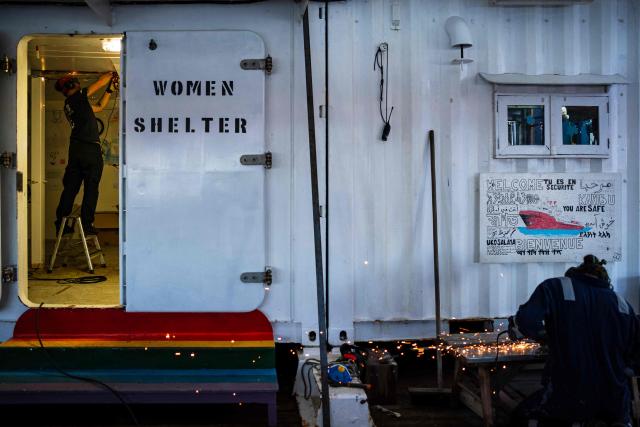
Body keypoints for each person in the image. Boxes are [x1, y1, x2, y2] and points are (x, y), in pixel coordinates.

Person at [509, 255, 640, 426]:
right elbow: (636, 354)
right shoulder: (621, 302)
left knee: (519, 416)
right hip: (614, 402)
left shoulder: (555, 287)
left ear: (576, 273)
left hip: (567, 397)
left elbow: (526, 320)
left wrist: (547, 337)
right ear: (604, 279)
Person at [54, 71, 118, 236]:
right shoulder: (77, 98)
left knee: (71, 187)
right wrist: (113, 73)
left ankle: (60, 222)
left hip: (76, 150)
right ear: (70, 86)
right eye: (75, 81)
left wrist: (110, 90)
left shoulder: (72, 104)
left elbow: (99, 107)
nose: (77, 83)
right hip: (89, 149)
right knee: (91, 187)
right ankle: (87, 224)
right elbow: (99, 83)